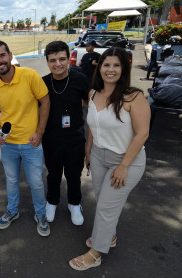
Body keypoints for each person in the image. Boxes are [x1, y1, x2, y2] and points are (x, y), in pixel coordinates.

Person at [69, 47, 150, 270]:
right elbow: (94, 127)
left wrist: (124, 165)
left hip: (126, 160)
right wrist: (88, 151)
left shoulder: (134, 96)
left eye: (116, 65)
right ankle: (109, 236)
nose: (110, 70)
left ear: (123, 68)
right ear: (99, 67)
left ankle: (96, 253)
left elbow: (142, 133)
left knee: (105, 206)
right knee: (103, 200)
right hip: (98, 156)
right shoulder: (93, 93)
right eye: (106, 65)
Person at [0, 40, 51, 237]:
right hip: (9, 145)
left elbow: (45, 102)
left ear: (10, 55)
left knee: (37, 183)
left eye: (2, 56)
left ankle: (40, 214)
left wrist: (40, 132)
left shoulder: (30, 75)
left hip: (31, 143)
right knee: (11, 180)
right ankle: (12, 211)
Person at [42, 41, 90, 226]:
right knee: (53, 174)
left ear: (68, 58)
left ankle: (74, 203)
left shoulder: (80, 79)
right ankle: (52, 202)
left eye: (62, 59)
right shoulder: (43, 82)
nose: (58, 64)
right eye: (52, 60)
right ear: (47, 62)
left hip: (75, 138)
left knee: (73, 174)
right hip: (51, 139)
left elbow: (92, 105)